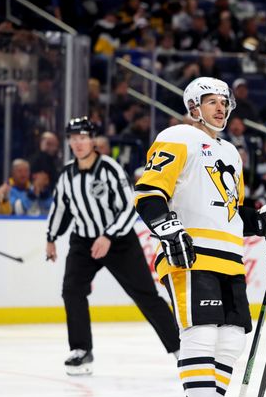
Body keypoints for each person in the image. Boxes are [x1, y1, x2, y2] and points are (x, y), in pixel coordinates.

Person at [133, 77, 266, 397]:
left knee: (231, 340)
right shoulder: (177, 137)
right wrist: (168, 229)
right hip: (192, 254)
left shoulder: (232, 153)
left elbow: (232, 214)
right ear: (193, 106)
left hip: (231, 258)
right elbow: (149, 191)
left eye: (224, 102)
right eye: (211, 101)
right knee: (200, 331)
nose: (221, 108)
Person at [45, 117, 180, 375]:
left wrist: (108, 236)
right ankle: (81, 350)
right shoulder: (66, 175)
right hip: (83, 242)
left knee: (145, 294)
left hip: (119, 241)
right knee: (72, 290)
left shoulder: (110, 169)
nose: (78, 143)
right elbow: (60, 208)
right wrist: (51, 238)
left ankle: (179, 347)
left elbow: (131, 207)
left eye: (83, 137)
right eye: (73, 139)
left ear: (93, 140)